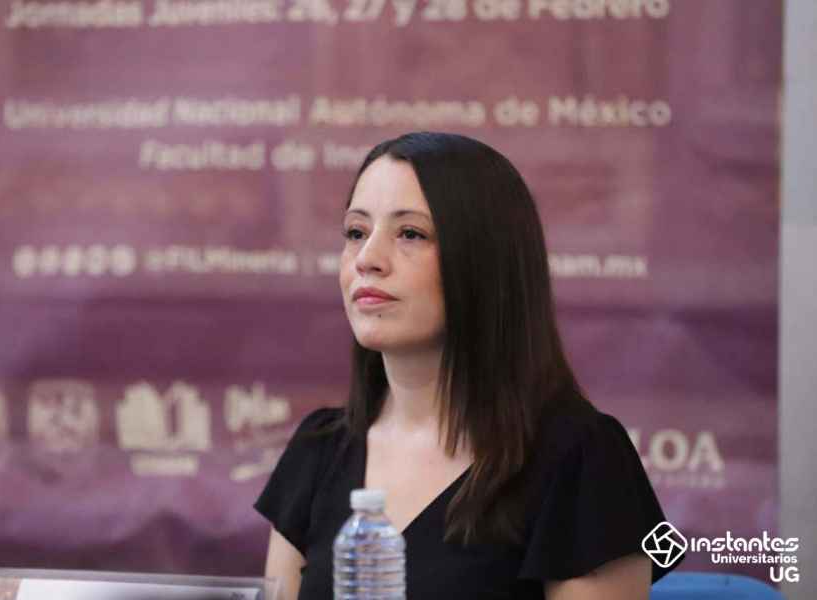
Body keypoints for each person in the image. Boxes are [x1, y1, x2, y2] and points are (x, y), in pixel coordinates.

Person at [254, 132, 681, 599]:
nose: (367, 259)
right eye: (356, 232)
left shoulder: (582, 457)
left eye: (410, 234)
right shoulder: (317, 449)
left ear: (486, 262)